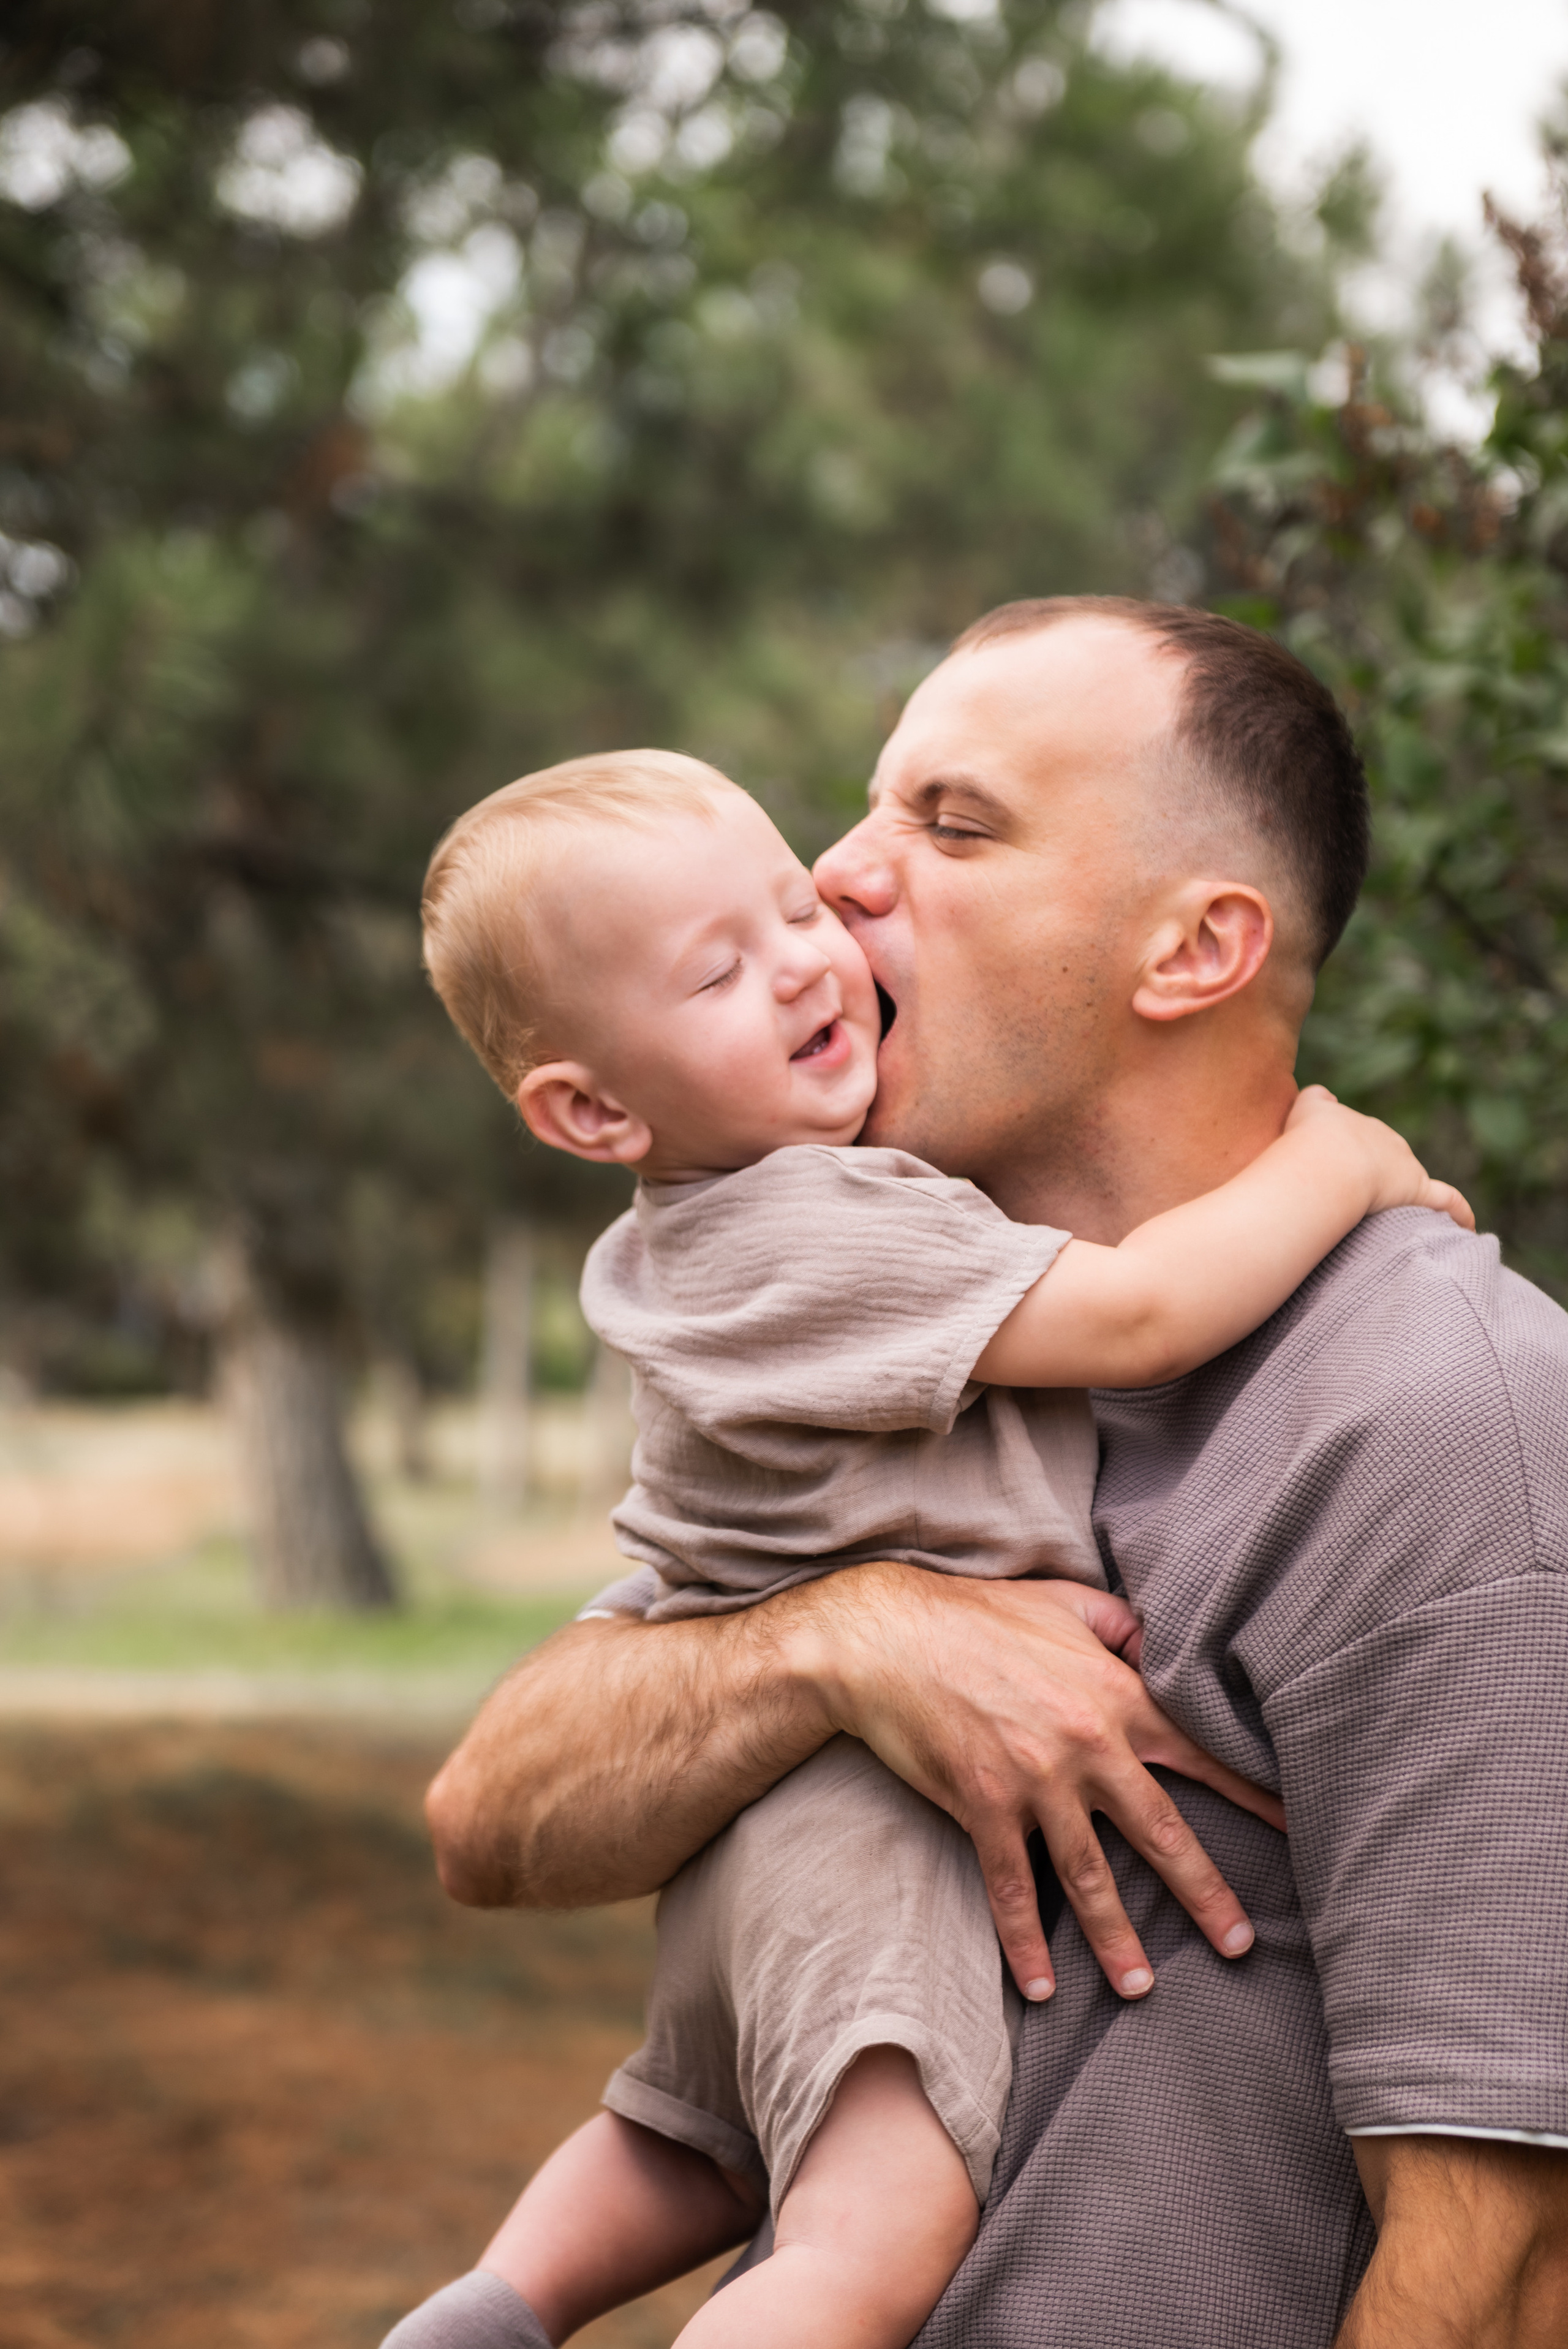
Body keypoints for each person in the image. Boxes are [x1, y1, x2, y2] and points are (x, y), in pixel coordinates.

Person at [423, 601, 1568, 2347]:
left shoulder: (1437, 1414)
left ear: (1193, 949)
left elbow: (1498, 2256)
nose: (840, 873)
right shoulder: (898, 1327)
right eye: (868, 810)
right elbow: (492, 1814)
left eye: (950, 826)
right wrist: (851, 1642)